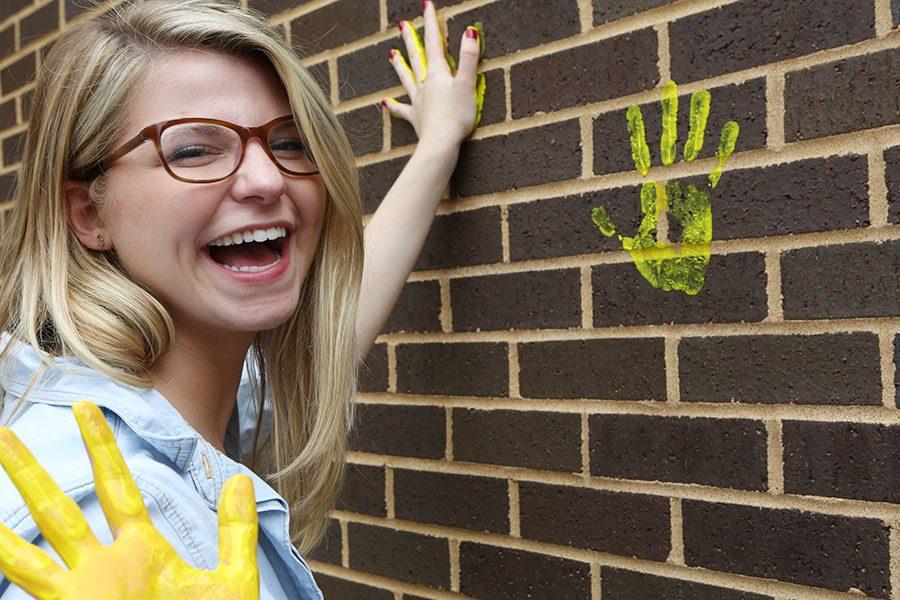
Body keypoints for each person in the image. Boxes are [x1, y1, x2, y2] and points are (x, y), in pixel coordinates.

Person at [0, 0, 483, 596]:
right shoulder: (103, 516)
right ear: (89, 213)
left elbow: (331, 335)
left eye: (289, 143)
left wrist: (438, 144)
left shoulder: (187, 394)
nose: (267, 180)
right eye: (194, 151)